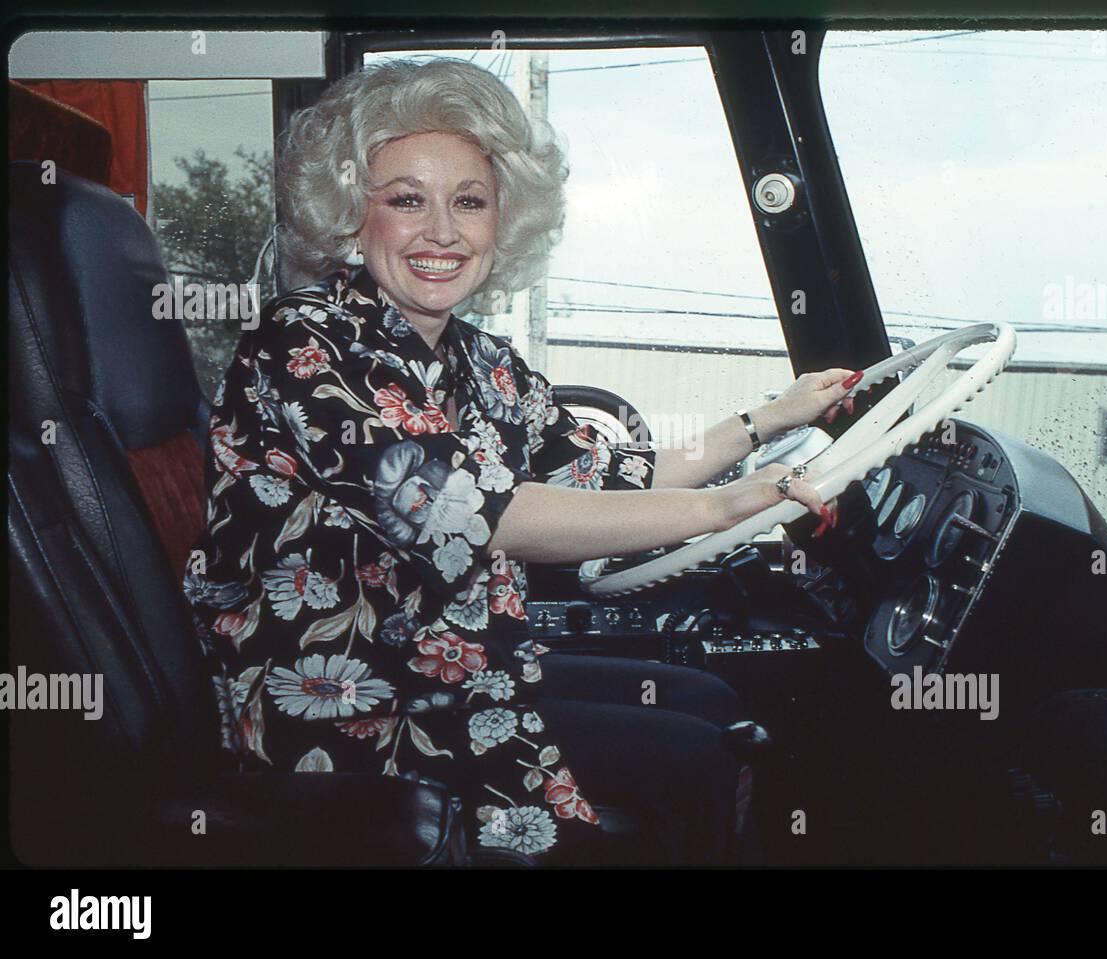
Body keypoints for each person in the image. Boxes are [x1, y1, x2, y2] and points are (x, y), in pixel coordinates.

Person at [187, 57, 862, 864]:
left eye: (468, 202)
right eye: (407, 200)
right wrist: (730, 506)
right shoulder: (306, 341)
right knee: (690, 756)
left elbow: (614, 475)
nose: (442, 231)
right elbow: (479, 512)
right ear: (349, 215)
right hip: (350, 698)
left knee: (712, 702)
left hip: (462, 664)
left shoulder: (482, 361)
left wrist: (769, 418)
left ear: (502, 220)